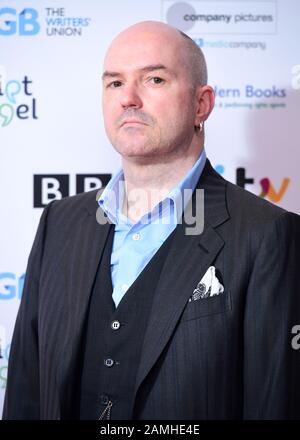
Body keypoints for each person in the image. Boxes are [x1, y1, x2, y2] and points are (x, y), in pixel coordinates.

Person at [3, 20, 300, 420]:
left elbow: (273, 403)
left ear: (201, 104)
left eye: (154, 79)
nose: (128, 98)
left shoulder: (266, 234)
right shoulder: (60, 222)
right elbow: (25, 392)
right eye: (114, 83)